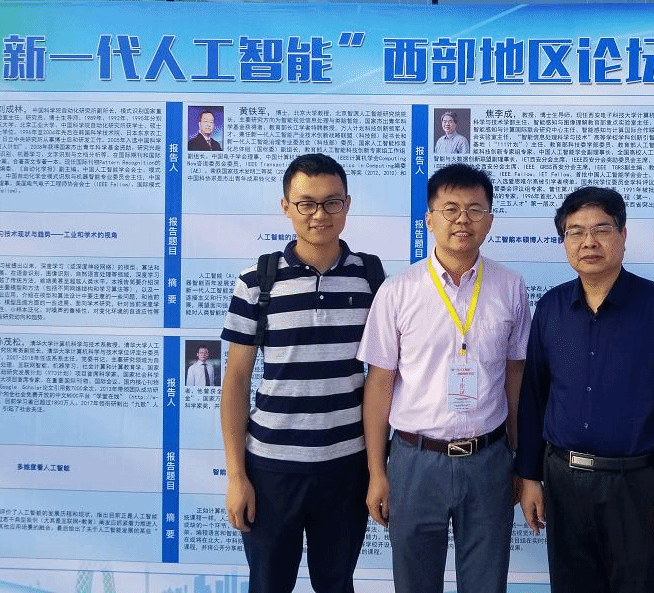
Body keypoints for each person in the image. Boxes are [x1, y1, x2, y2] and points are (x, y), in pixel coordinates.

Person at [516, 186, 654, 593]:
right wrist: (529, 475)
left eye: (601, 229)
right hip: (565, 483)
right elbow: (533, 398)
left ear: (623, 236)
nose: (588, 241)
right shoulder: (551, 309)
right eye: (575, 232)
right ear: (564, 241)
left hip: (639, 487)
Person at [359, 163, 530, 593]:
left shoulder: (511, 287)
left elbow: (516, 376)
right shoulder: (397, 290)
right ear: (429, 219)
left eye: (475, 210)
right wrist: (377, 471)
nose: (462, 220)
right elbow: (379, 384)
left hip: (489, 459)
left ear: (489, 220)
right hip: (415, 460)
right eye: (450, 209)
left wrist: (518, 457)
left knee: (486, 584)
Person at [220, 153, 382, 593]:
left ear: (347, 205)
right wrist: (236, 476)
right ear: (286, 207)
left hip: (346, 468)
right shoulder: (258, 280)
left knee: (336, 584)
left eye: (331, 203)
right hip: (271, 470)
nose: (319, 215)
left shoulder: (372, 279)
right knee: (268, 584)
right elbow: (235, 382)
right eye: (306, 203)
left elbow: (382, 380)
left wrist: (377, 469)